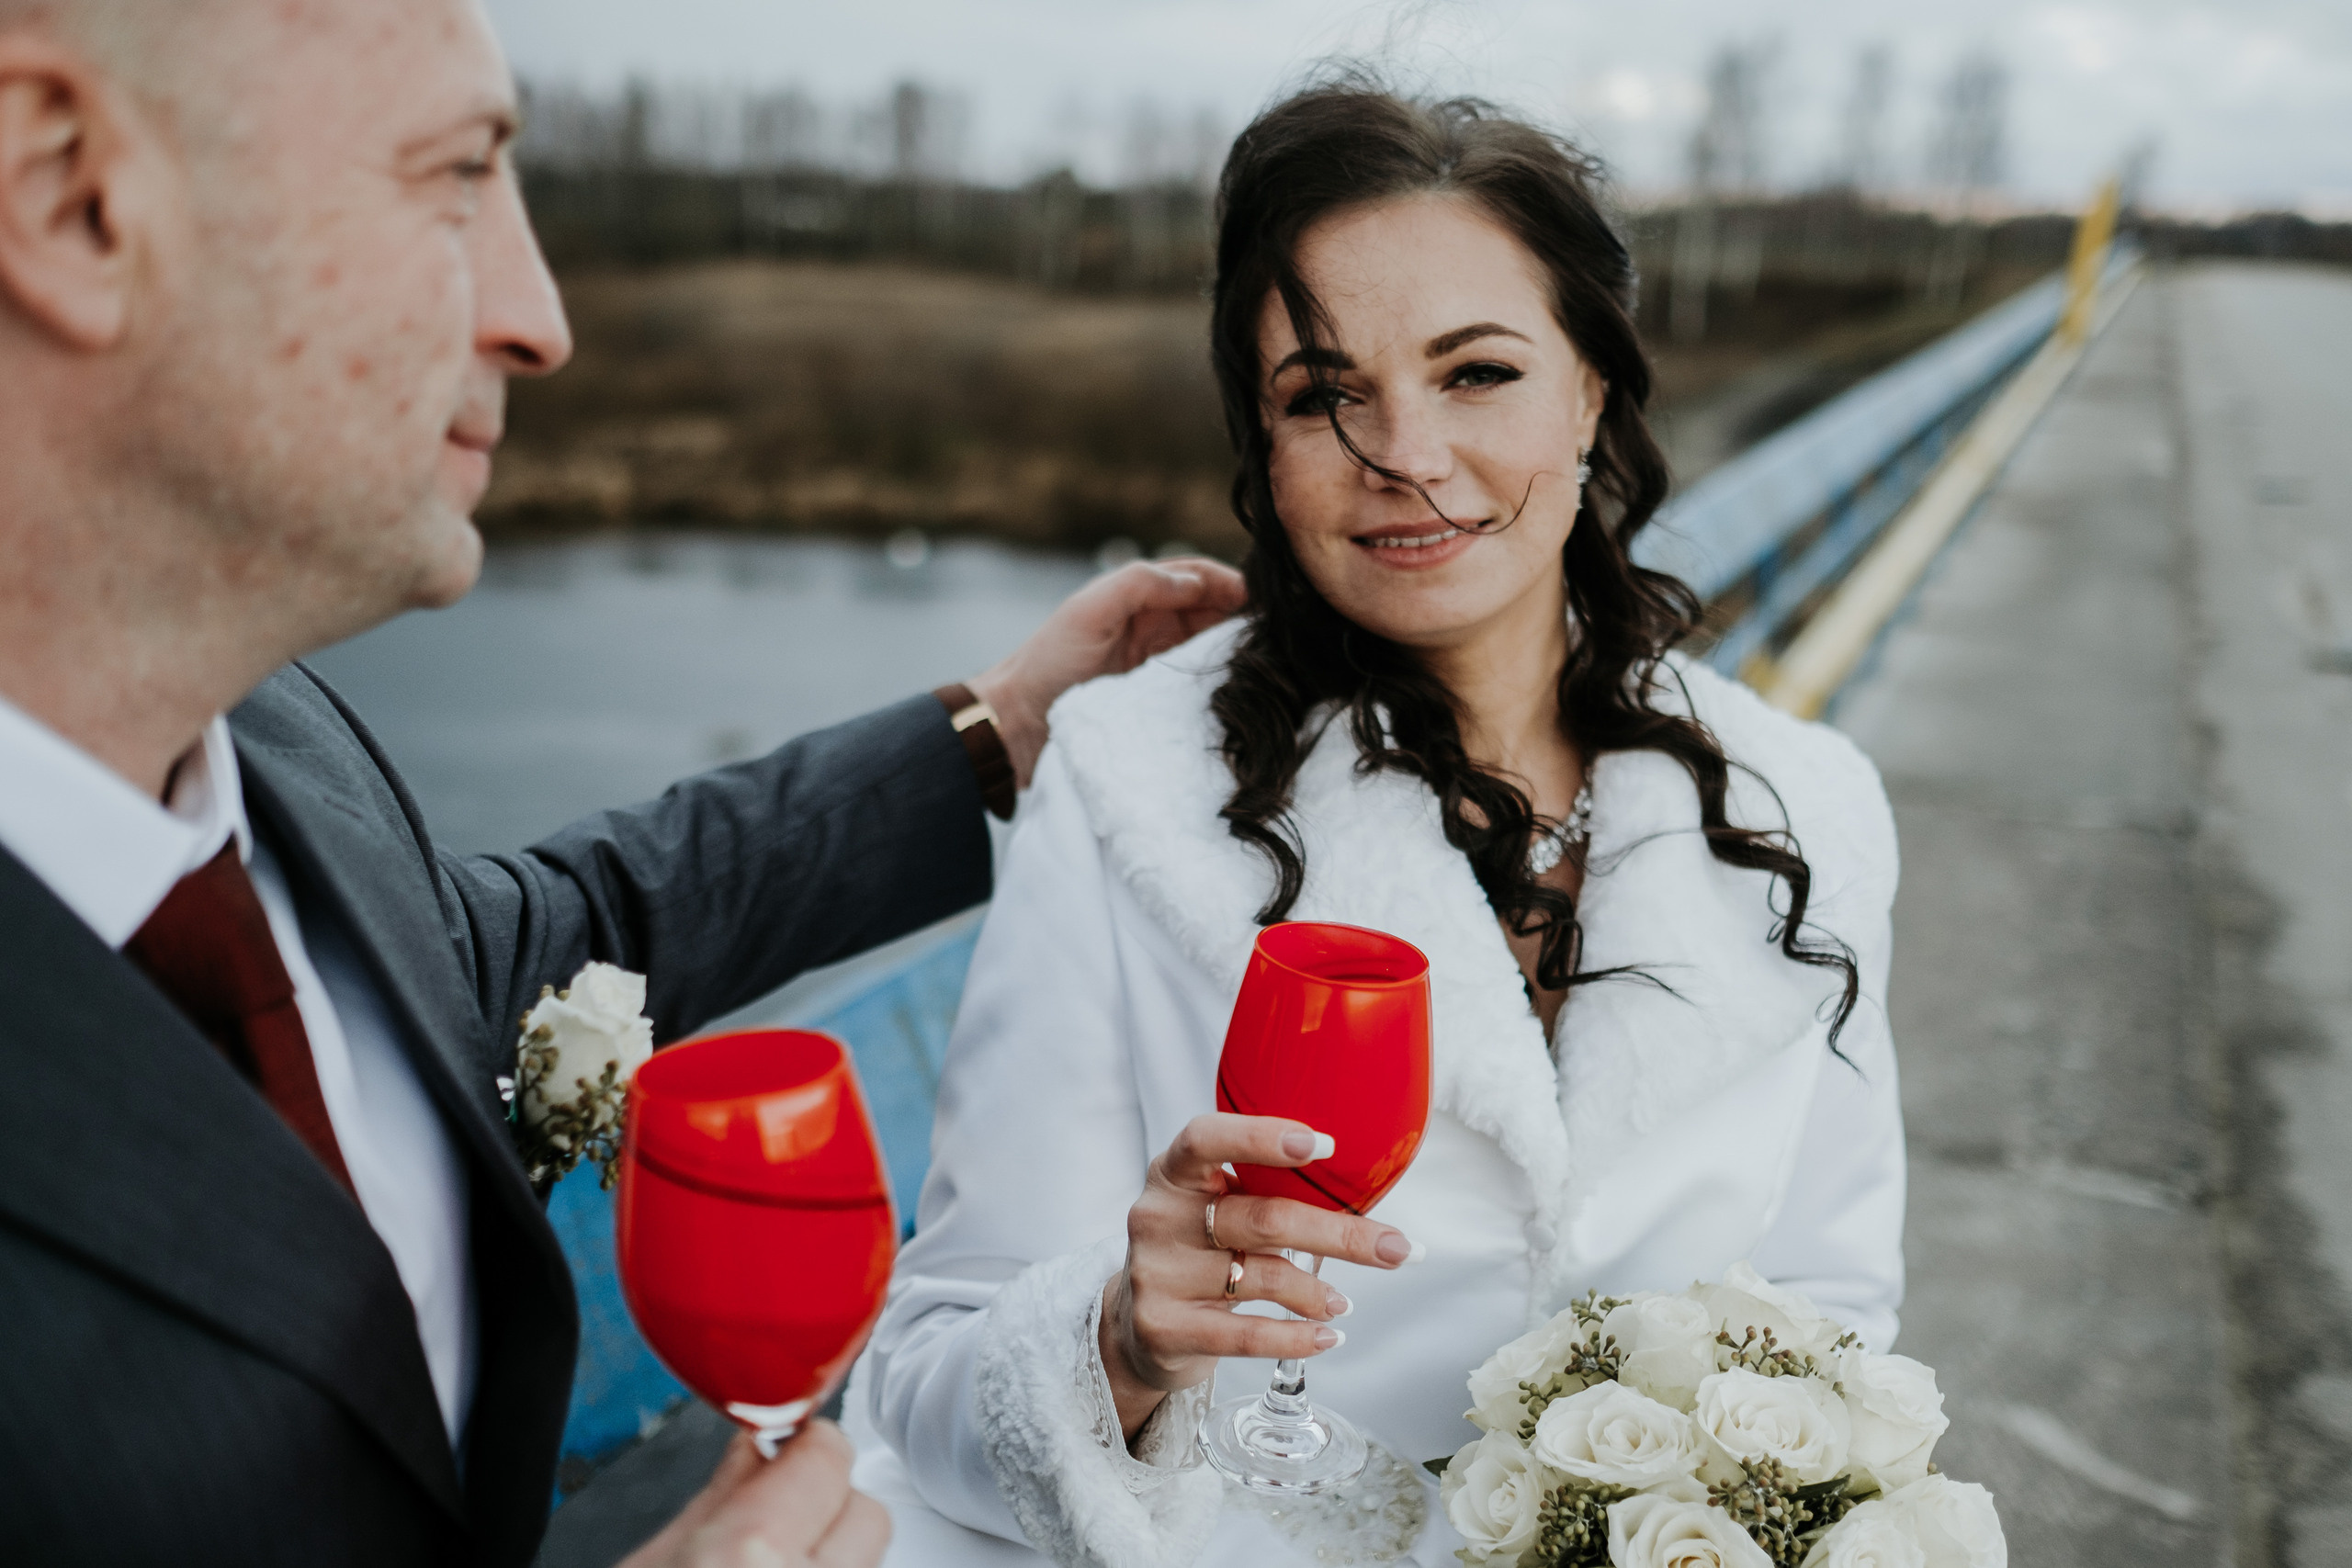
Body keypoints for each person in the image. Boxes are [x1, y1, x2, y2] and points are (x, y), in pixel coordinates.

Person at [0, 2, 1243, 1565]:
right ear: (70, 194)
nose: (540, 320)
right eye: (458, 177)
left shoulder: (278, 744)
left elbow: (535, 940)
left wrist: (997, 730)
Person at [852, 84, 1906, 1566]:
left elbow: (1838, 1326)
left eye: (1477, 373)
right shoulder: (1123, 781)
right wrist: (1119, 1342)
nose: (1403, 450)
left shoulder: (1813, 804)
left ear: (1592, 392)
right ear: (1263, 445)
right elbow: (931, 1381)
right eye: (1321, 395)